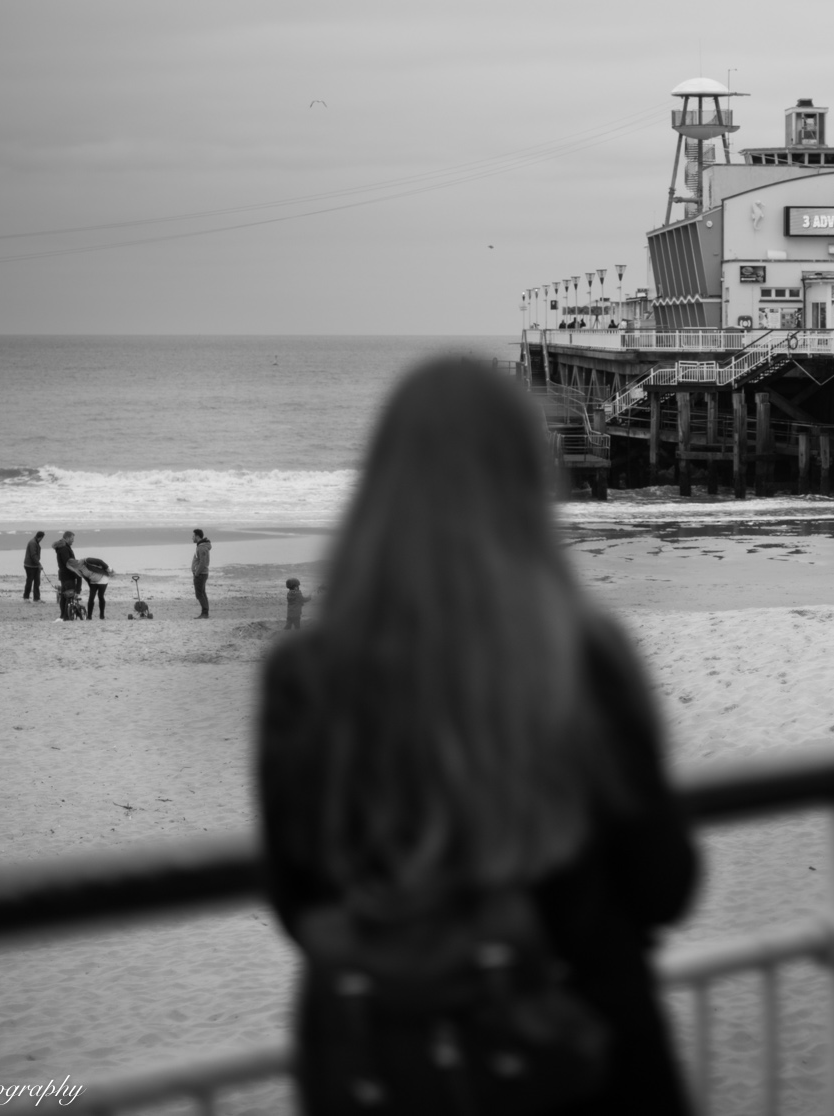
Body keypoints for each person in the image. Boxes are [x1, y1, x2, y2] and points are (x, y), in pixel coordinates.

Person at [256, 356, 698, 1116]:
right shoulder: (586, 654)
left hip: (392, 1061)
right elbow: (663, 882)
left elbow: (301, 901)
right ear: (527, 482)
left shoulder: (306, 675)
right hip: (586, 1052)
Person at [52, 532, 81, 621]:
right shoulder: (64, 548)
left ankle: (63, 615)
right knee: (68, 596)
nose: (73, 541)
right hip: (68, 575)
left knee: (64, 596)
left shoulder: (63, 547)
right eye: (72, 539)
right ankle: (65, 616)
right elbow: (67, 563)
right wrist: (76, 572)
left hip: (64, 575)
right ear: (67, 538)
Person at [191, 529, 212, 618]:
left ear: (197, 536)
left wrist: (197, 572)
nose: (192, 538)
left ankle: (205, 613)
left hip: (201, 574)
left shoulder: (201, 547)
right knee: (202, 593)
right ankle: (205, 612)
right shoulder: (200, 546)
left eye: (193, 536)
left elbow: (202, 562)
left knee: (199, 594)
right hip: (201, 573)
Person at [22, 531, 44, 603]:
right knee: (29, 581)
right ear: (40, 537)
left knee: (37, 582)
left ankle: (36, 598)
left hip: (35, 565)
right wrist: (39, 564)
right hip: (29, 565)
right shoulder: (32, 543)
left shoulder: (35, 542)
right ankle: (26, 597)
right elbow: (33, 555)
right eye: (42, 538)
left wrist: (38, 564)